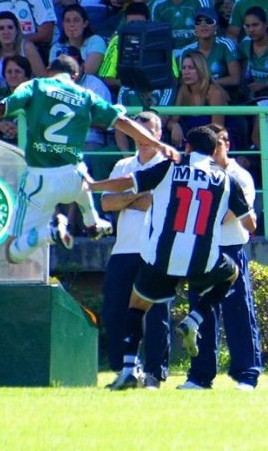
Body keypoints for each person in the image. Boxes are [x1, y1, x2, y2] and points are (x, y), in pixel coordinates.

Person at [0, 54, 180, 264]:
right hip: (74, 178)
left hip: (41, 179)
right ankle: (93, 222)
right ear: (75, 76)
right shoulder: (86, 95)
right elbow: (123, 122)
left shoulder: (36, 86)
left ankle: (47, 233)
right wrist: (158, 143)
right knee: (82, 177)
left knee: (11, 252)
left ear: (49, 71)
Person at [88, 125, 256, 390]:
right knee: (232, 273)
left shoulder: (169, 168)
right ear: (214, 151)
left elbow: (128, 183)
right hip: (202, 259)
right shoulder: (227, 180)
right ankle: (195, 318)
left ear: (186, 147)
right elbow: (250, 225)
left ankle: (130, 369)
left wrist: (92, 185)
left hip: (163, 258)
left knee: (137, 307)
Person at [178, 123, 262, 391]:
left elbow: (230, 216)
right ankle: (200, 376)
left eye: (221, 142)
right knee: (200, 314)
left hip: (230, 249)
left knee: (238, 312)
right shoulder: (196, 174)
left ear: (228, 144)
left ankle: (246, 375)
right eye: (212, 144)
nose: (216, 148)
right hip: (202, 250)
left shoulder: (240, 176)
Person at [100, 111, 172, 390]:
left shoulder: (168, 165)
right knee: (114, 310)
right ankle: (124, 370)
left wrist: (125, 199)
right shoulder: (122, 165)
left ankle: (155, 373)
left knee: (156, 315)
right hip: (123, 250)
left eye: (148, 132)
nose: (141, 139)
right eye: (137, 133)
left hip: (156, 250)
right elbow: (106, 205)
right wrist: (138, 195)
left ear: (159, 135)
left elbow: (157, 204)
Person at [169, 51, 228, 148]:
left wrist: (193, 138)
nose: (186, 72)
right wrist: (174, 126)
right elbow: (172, 120)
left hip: (212, 144)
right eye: (184, 68)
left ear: (201, 69)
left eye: (191, 68)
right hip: (190, 145)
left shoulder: (214, 92)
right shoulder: (183, 91)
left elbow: (217, 127)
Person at [0, 11, 45, 90]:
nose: (6, 32)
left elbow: (42, 78)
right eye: (1, 28)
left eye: (10, 27)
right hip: (3, 95)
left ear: (17, 31)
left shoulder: (27, 48)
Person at [238, 6, 268, 103]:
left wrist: (265, 85)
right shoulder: (244, 44)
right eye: (247, 26)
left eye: (255, 25)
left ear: (265, 24)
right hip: (251, 99)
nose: (251, 30)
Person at [48, 3, 106, 76]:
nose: (71, 24)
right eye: (67, 21)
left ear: (85, 23)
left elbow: (88, 71)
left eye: (76, 20)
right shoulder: (57, 47)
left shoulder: (96, 41)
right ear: (63, 24)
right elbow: (52, 75)